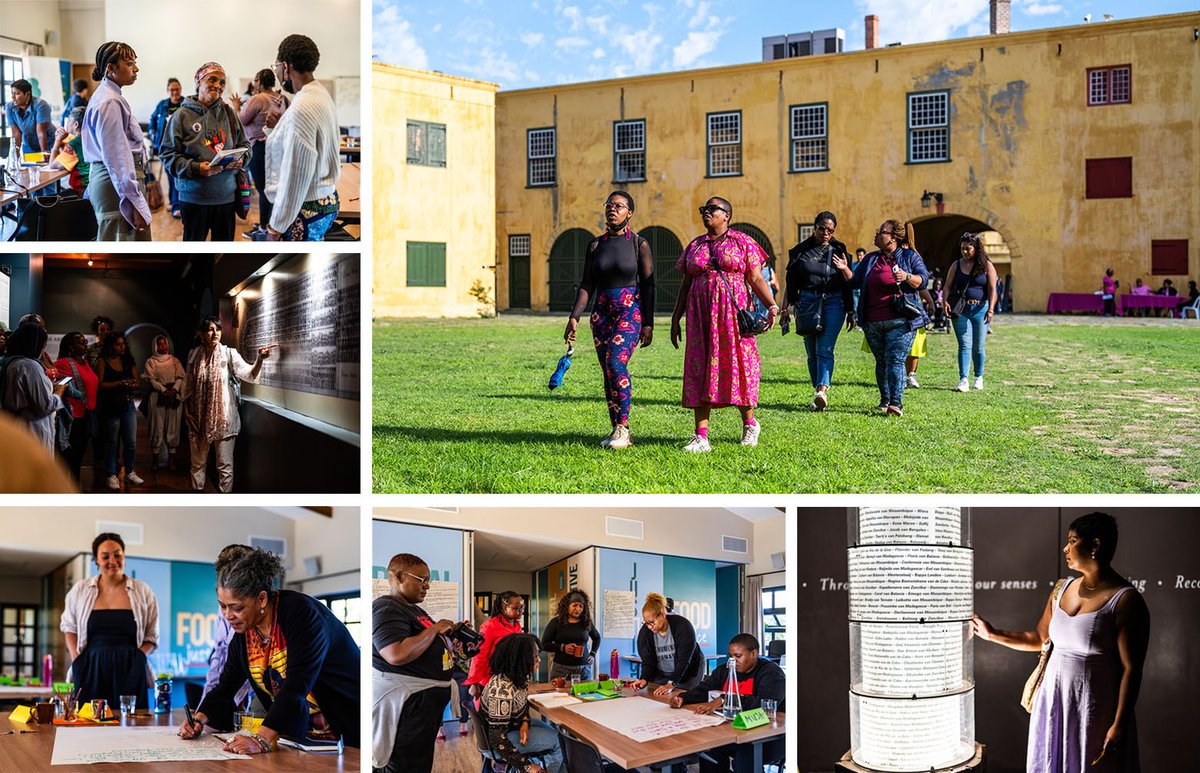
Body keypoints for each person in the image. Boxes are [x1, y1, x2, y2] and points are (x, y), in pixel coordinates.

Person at [972, 512, 1149, 772]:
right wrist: (992, 634)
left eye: (1073, 541)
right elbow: (1040, 638)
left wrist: (1119, 723)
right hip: (1053, 701)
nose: (1065, 548)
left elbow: (1131, 669)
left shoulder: (1125, 600)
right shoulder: (1061, 588)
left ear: (1095, 545)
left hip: (1093, 707)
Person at [183, 546, 360, 753]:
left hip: (347, 730)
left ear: (261, 599)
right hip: (302, 738)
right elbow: (226, 686)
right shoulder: (244, 634)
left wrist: (261, 740)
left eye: (237, 607)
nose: (228, 615)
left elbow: (295, 686)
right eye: (223, 606)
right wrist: (198, 718)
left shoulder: (301, 614)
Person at [670, 197, 777, 451]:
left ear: (726, 215)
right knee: (700, 366)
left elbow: (755, 278)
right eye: (704, 210)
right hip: (700, 316)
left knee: (738, 364)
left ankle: (750, 425)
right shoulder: (695, 245)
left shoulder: (742, 241)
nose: (707, 213)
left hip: (731, 315)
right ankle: (701, 436)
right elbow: (685, 285)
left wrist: (772, 305)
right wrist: (676, 319)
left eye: (712, 209)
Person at [563, 191, 654, 449]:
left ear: (630, 213)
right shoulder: (595, 245)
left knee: (615, 361)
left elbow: (648, 286)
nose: (612, 209)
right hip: (600, 313)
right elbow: (586, 284)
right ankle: (615, 428)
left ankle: (623, 428)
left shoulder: (639, 244)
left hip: (629, 310)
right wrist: (574, 317)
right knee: (607, 371)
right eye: (609, 205)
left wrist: (648, 323)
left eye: (619, 206)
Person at [372, 553, 459, 773]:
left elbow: (425, 644)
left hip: (422, 710)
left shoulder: (415, 610)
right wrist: (434, 629)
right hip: (408, 709)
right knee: (404, 766)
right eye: (422, 580)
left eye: (428, 580)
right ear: (399, 576)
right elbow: (396, 654)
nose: (427, 586)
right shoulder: (386, 608)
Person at [835, 219, 930, 417]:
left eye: (881, 232)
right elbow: (855, 282)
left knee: (895, 359)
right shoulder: (870, 259)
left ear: (893, 237)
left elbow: (923, 280)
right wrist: (845, 268)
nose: (877, 234)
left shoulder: (909, 256)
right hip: (872, 321)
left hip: (901, 320)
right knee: (881, 361)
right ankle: (885, 399)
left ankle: (896, 403)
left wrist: (907, 277)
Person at [60, 533, 158, 710]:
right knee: (88, 723)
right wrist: (77, 659)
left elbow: (152, 634)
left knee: (132, 724)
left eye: (117, 554)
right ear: (96, 560)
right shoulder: (80, 590)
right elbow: (69, 627)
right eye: (105, 556)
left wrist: (140, 657)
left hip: (131, 667)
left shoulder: (143, 591)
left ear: (124, 556)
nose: (112, 560)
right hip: (90, 667)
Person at [261, 34, 342, 240]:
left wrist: (276, 227)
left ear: (286, 67)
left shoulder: (303, 105)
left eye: (277, 66)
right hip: (325, 200)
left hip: (304, 209)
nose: (277, 72)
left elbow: (296, 174)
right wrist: (277, 128)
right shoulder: (320, 95)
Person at [669, 632, 786, 772]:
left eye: (738, 656)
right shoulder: (724, 670)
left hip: (769, 737)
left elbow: (763, 704)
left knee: (745, 756)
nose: (733, 660)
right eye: (731, 656)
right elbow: (705, 688)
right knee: (709, 747)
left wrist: (724, 699)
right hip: (733, 731)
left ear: (754, 653)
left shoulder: (771, 673)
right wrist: (683, 698)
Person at [159, 62, 251, 241]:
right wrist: (196, 168)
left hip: (226, 200)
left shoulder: (229, 114)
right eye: (212, 80)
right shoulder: (181, 116)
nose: (218, 85)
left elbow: (246, 146)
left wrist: (242, 159)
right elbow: (168, 155)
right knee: (194, 257)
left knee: (222, 257)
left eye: (222, 82)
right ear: (198, 82)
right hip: (193, 200)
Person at [183, 317, 272, 492]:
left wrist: (259, 359)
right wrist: (187, 412)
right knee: (197, 464)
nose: (215, 333)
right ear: (201, 333)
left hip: (223, 418)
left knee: (224, 466)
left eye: (218, 329)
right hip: (198, 418)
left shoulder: (228, 353)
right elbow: (188, 386)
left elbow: (248, 374)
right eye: (210, 329)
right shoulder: (194, 355)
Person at [781, 210, 854, 411]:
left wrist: (850, 310)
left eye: (830, 230)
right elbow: (791, 281)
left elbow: (849, 282)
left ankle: (822, 391)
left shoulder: (839, 249)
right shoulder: (800, 251)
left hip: (833, 301)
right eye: (822, 228)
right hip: (806, 302)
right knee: (811, 351)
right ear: (814, 227)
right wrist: (785, 308)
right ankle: (817, 393)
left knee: (824, 348)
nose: (825, 233)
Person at [83, 41, 152, 240]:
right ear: (111, 68)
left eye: (134, 63)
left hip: (113, 182)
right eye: (129, 63)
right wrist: (133, 201)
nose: (136, 68)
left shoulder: (108, 96)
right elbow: (118, 158)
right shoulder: (109, 101)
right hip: (115, 186)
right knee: (123, 249)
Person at [479, 633, 563, 773]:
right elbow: (496, 739)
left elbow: (522, 704)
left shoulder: (519, 677)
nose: (539, 660)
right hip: (499, 743)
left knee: (555, 733)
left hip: (510, 728)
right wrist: (527, 767)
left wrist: (524, 722)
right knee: (560, 742)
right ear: (521, 659)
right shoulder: (502, 689)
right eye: (535, 656)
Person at [231, 68, 289, 239]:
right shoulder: (282, 98)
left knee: (264, 189)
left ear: (260, 81)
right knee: (272, 187)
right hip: (278, 147)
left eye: (256, 81)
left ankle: (265, 227)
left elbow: (240, 121)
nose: (254, 84)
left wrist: (236, 106)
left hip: (259, 148)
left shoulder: (258, 99)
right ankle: (269, 224)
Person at [0, 322, 67, 452]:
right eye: (43, 346)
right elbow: (45, 405)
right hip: (32, 432)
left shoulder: (10, 363)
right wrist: (59, 392)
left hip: (15, 429)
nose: (43, 350)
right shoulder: (30, 366)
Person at [943, 232, 998, 392]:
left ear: (976, 248)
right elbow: (947, 286)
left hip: (981, 309)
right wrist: (944, 301)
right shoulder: (956, 265)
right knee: (964, 345)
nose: (965, 251)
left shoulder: (987, 265)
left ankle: (978, 376)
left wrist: (991, 310)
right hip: (961, 310)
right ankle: (963, 380)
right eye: (962, 248)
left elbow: (992, 289)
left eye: (968, 248)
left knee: (978, 346)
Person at [95, 332, 142, 490]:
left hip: (127, 404)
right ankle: (111, 474)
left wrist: (130, 384)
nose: (122, 347)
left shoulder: (128, 360)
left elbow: (137, 383)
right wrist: (120, 383)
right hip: (110, 405)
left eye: (123, 344)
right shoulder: (102, 361)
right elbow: (100, 385)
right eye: (118, 344)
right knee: (111, 442)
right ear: (110, 346)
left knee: (131, 442)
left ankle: (129, 472)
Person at [630, 592, 703, 694]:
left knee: (685, 697)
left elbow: (684, 661)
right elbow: (648, 661)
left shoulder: (683, 626)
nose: (649, 627)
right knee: (657, 695)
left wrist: (671, 683)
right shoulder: (645, 634)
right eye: (646, 623)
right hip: (663, 672)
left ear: (663, 615)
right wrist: (644, 678)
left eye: (652, 622)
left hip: (689, 670)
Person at [53, 332, 98, 482]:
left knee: (79, 456)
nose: (85, 344)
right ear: (70, 347)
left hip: (87, 416)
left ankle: (74, 488)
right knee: (68, 458)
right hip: (72, 419)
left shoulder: (86, 363)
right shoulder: (63, 363)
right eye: (81, 342)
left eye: (85, 341)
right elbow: (53, 383)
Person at [464, 590, 525, 697]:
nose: (520, 611)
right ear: (504, 608)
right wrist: (474, 682)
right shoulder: (490, 625)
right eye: (516, 608)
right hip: (490, 680)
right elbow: (479, 655)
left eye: (522, 607)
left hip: (510, 679)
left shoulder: (517, 626)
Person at [143, 334, 185, 469]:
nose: (163, 346)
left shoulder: (175, 361)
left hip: (174, 397)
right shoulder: (151, 362)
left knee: (173, 426)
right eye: (160, 344)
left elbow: (180, 377)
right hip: (157, 397)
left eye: (165, 343)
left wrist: (174, 390)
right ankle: (155, 460)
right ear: (155, 346)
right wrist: (163, 390)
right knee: (157, 426)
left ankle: (171, 460)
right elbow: (151, 379)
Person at [541, 590, 601, 681]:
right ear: (567, 606)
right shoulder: (556, 622)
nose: (578, 609)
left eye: (581, 606)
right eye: (575, 605)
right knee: (559, 695)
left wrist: (593, 654)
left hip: (584, 669)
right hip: (561, 670)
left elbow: (597, 638)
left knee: (586, 695)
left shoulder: (586, 622)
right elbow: (544, 644)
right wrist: (563, 647)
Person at [149, 78, 186, 218]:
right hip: (164, 147)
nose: (175, 92)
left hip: (181, 147)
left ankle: (177, 205)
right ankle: (173, 201)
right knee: (170, 176)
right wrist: (152, 132)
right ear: (168, 91)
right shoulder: (162, 105)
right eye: (172, 89)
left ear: (180, 90)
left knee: (176, 175)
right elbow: (152, 119)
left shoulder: (186, 104)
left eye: (177, 89)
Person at [48, 107, 91, 196]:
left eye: (69, 121)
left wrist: (57, 141)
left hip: (82, 192)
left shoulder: (75, 143)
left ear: (76, 124)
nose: (66, 123)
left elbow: (52, 165)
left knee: (40, 203)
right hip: (93, 188)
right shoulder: (91, 139)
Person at [5, 79, 52, 156]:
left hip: (47, 145)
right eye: (12, 93)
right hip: (29, 146)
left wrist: (45, 155)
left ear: (27, 94)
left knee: (45, 166)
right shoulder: (10, 107)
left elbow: (41, 134)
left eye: (17, 93)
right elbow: (16, 134)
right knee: (27, 167)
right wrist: (15, 157)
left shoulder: (41, 105)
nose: (13, 97)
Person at [905, 288, 937, 388]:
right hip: (889, 307)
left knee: (915, 345)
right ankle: (893, 376)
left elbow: (920, 284)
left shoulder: (914, 272)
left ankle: (911, 375)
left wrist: (930, 300)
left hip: (912, 309)